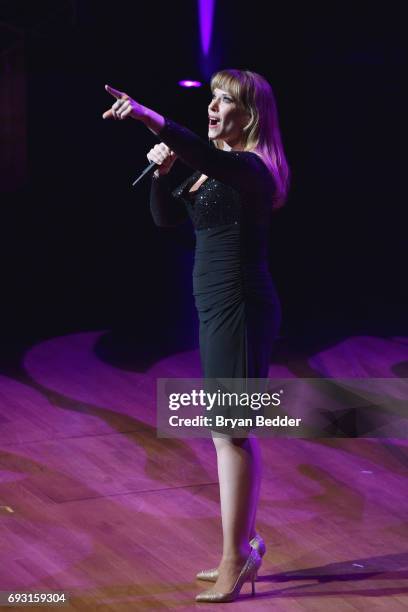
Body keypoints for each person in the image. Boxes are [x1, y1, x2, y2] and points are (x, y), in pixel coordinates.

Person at [102, 68, 290, 603]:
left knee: (231, 431)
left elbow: (196, 148)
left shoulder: (249, 169)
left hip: (241, 303)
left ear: (249, 116)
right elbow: (166, 220)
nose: (212, 106)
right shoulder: (210, 170)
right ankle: (243, 549)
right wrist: (162, 172)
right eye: (211, 96)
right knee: (225, 431)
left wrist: (149, 119)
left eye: (225, 99)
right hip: (214, 304)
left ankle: (236, 558)